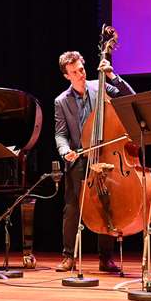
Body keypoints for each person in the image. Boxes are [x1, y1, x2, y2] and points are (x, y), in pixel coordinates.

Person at [54, 50, 135, 273]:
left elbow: (129, 97)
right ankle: (68, 256)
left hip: (105, 154)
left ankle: (105, 258)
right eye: (74, 72)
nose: (80, 74)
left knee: (107, 203)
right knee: (72, 207)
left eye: (81, 69)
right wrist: (65, 150)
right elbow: (60, 134)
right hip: (79, 156)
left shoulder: (99, 86)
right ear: (66, 76)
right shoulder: (61, 101)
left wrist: (112, 76)